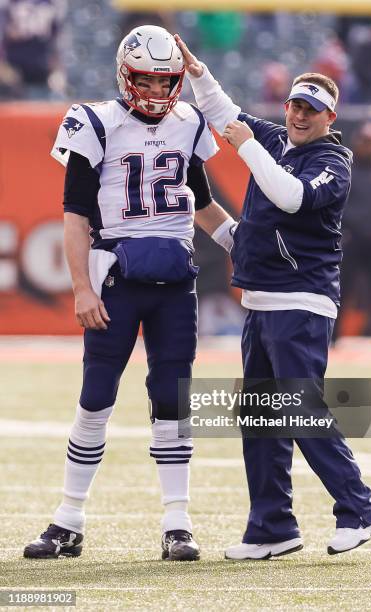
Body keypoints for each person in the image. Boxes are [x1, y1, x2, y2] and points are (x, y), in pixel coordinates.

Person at [23, 25, 237, 562]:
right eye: (147, 79)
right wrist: (80, 287)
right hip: (115, 277)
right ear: (125, 74)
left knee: (172, 401)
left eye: (167, 81)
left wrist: (240, 242)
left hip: (173, 283)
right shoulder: (96, 121)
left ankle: (177, 523)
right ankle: (68, 518)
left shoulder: (189, 123)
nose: (159, 91)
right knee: (96, 397)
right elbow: (74, 214)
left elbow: (204, 202)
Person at [175, 35, 371, 559]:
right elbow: (226, 112)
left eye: (310, 109)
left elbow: (290, 197)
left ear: (329, 117)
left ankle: (359, 508)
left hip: (303, 302)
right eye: (294, 104)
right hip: (263, 302)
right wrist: (199, 73)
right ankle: (272, 526)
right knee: (261, 418)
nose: (298, 115)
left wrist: (247, 143)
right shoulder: (276, 141)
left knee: (298, 410)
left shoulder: (333, 162)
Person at [332, 121, 371, 348]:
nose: (367, 146)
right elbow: (337, 205)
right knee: (343, 287)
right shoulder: (347, 170)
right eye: (364, 141)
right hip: (352, 239)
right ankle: (333, 336)